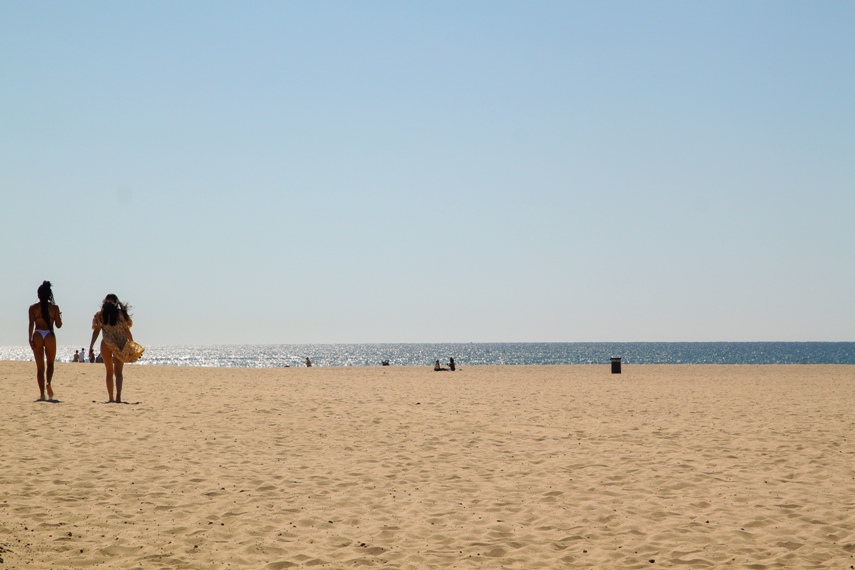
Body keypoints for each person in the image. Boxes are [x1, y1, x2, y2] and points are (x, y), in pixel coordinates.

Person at [89, 294, 144, 403]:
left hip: (106, 344)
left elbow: (96, 331)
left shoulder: (100, 315)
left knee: (109, 372)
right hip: (120, 345)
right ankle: (118, 396)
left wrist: (91, 347)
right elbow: (127, 331)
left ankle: (110, 398)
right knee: (118, 372)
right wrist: (132, 346)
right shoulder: (121, 315)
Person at [28, 281, 63, 401]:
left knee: (40, 368)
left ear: (38, 295)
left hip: (37, 333)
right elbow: (59, 325)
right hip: (49, 335)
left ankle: (42, 394)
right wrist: (58, 316)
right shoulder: (54, 308)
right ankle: (48, 383)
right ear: (49, 295)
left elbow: (31, 324)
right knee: (50, 364)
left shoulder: (33, 308)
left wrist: (29, 339)